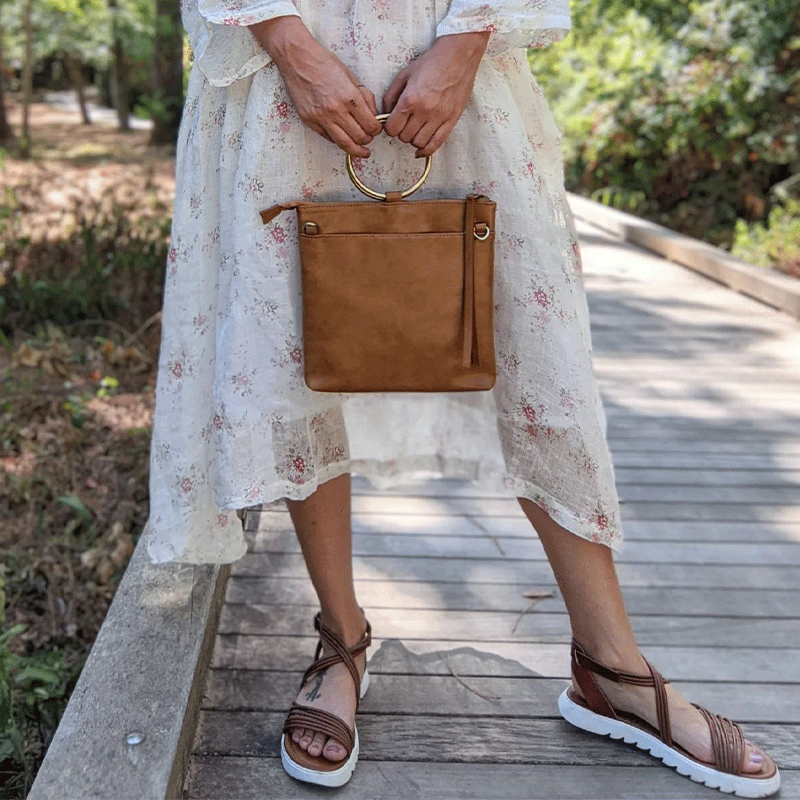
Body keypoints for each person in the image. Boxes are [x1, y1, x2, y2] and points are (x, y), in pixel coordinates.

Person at [143, 0, 781, 795]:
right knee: (303, 353)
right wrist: (283, 39)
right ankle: (341, 638)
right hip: (286, 72)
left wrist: (468, 39)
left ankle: (612, 667)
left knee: (541, 365)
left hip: (451, 64)